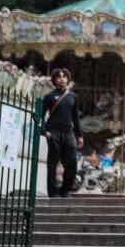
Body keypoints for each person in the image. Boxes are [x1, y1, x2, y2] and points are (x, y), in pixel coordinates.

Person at [42, 67, 82, 197]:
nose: (62, 79)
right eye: (59, 77)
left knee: (71, 163)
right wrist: (44, 131)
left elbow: (76, 118)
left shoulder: (72, 97)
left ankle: (65, 190)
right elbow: (39, 116)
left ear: (68, 79)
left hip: (68, 133)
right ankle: (53, 192)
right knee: (53, 163)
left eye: (64, 76)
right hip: (53, 132)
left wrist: (79, 135)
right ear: (54, 80)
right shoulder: (49, 96)